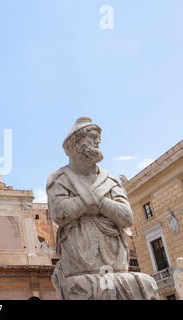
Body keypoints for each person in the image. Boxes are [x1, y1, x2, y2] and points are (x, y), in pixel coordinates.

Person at [46, 116, 158, 300]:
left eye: (98, 137)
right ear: (76, 144)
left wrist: (97, 203)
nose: (97, 141)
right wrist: (97, 203)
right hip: (80, 269)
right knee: (80, 289)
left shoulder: (110, 181)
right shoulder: (59, 179)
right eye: (92, 136)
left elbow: (127, 217)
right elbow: (59, 213)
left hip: (117, 267)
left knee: (146, 284)